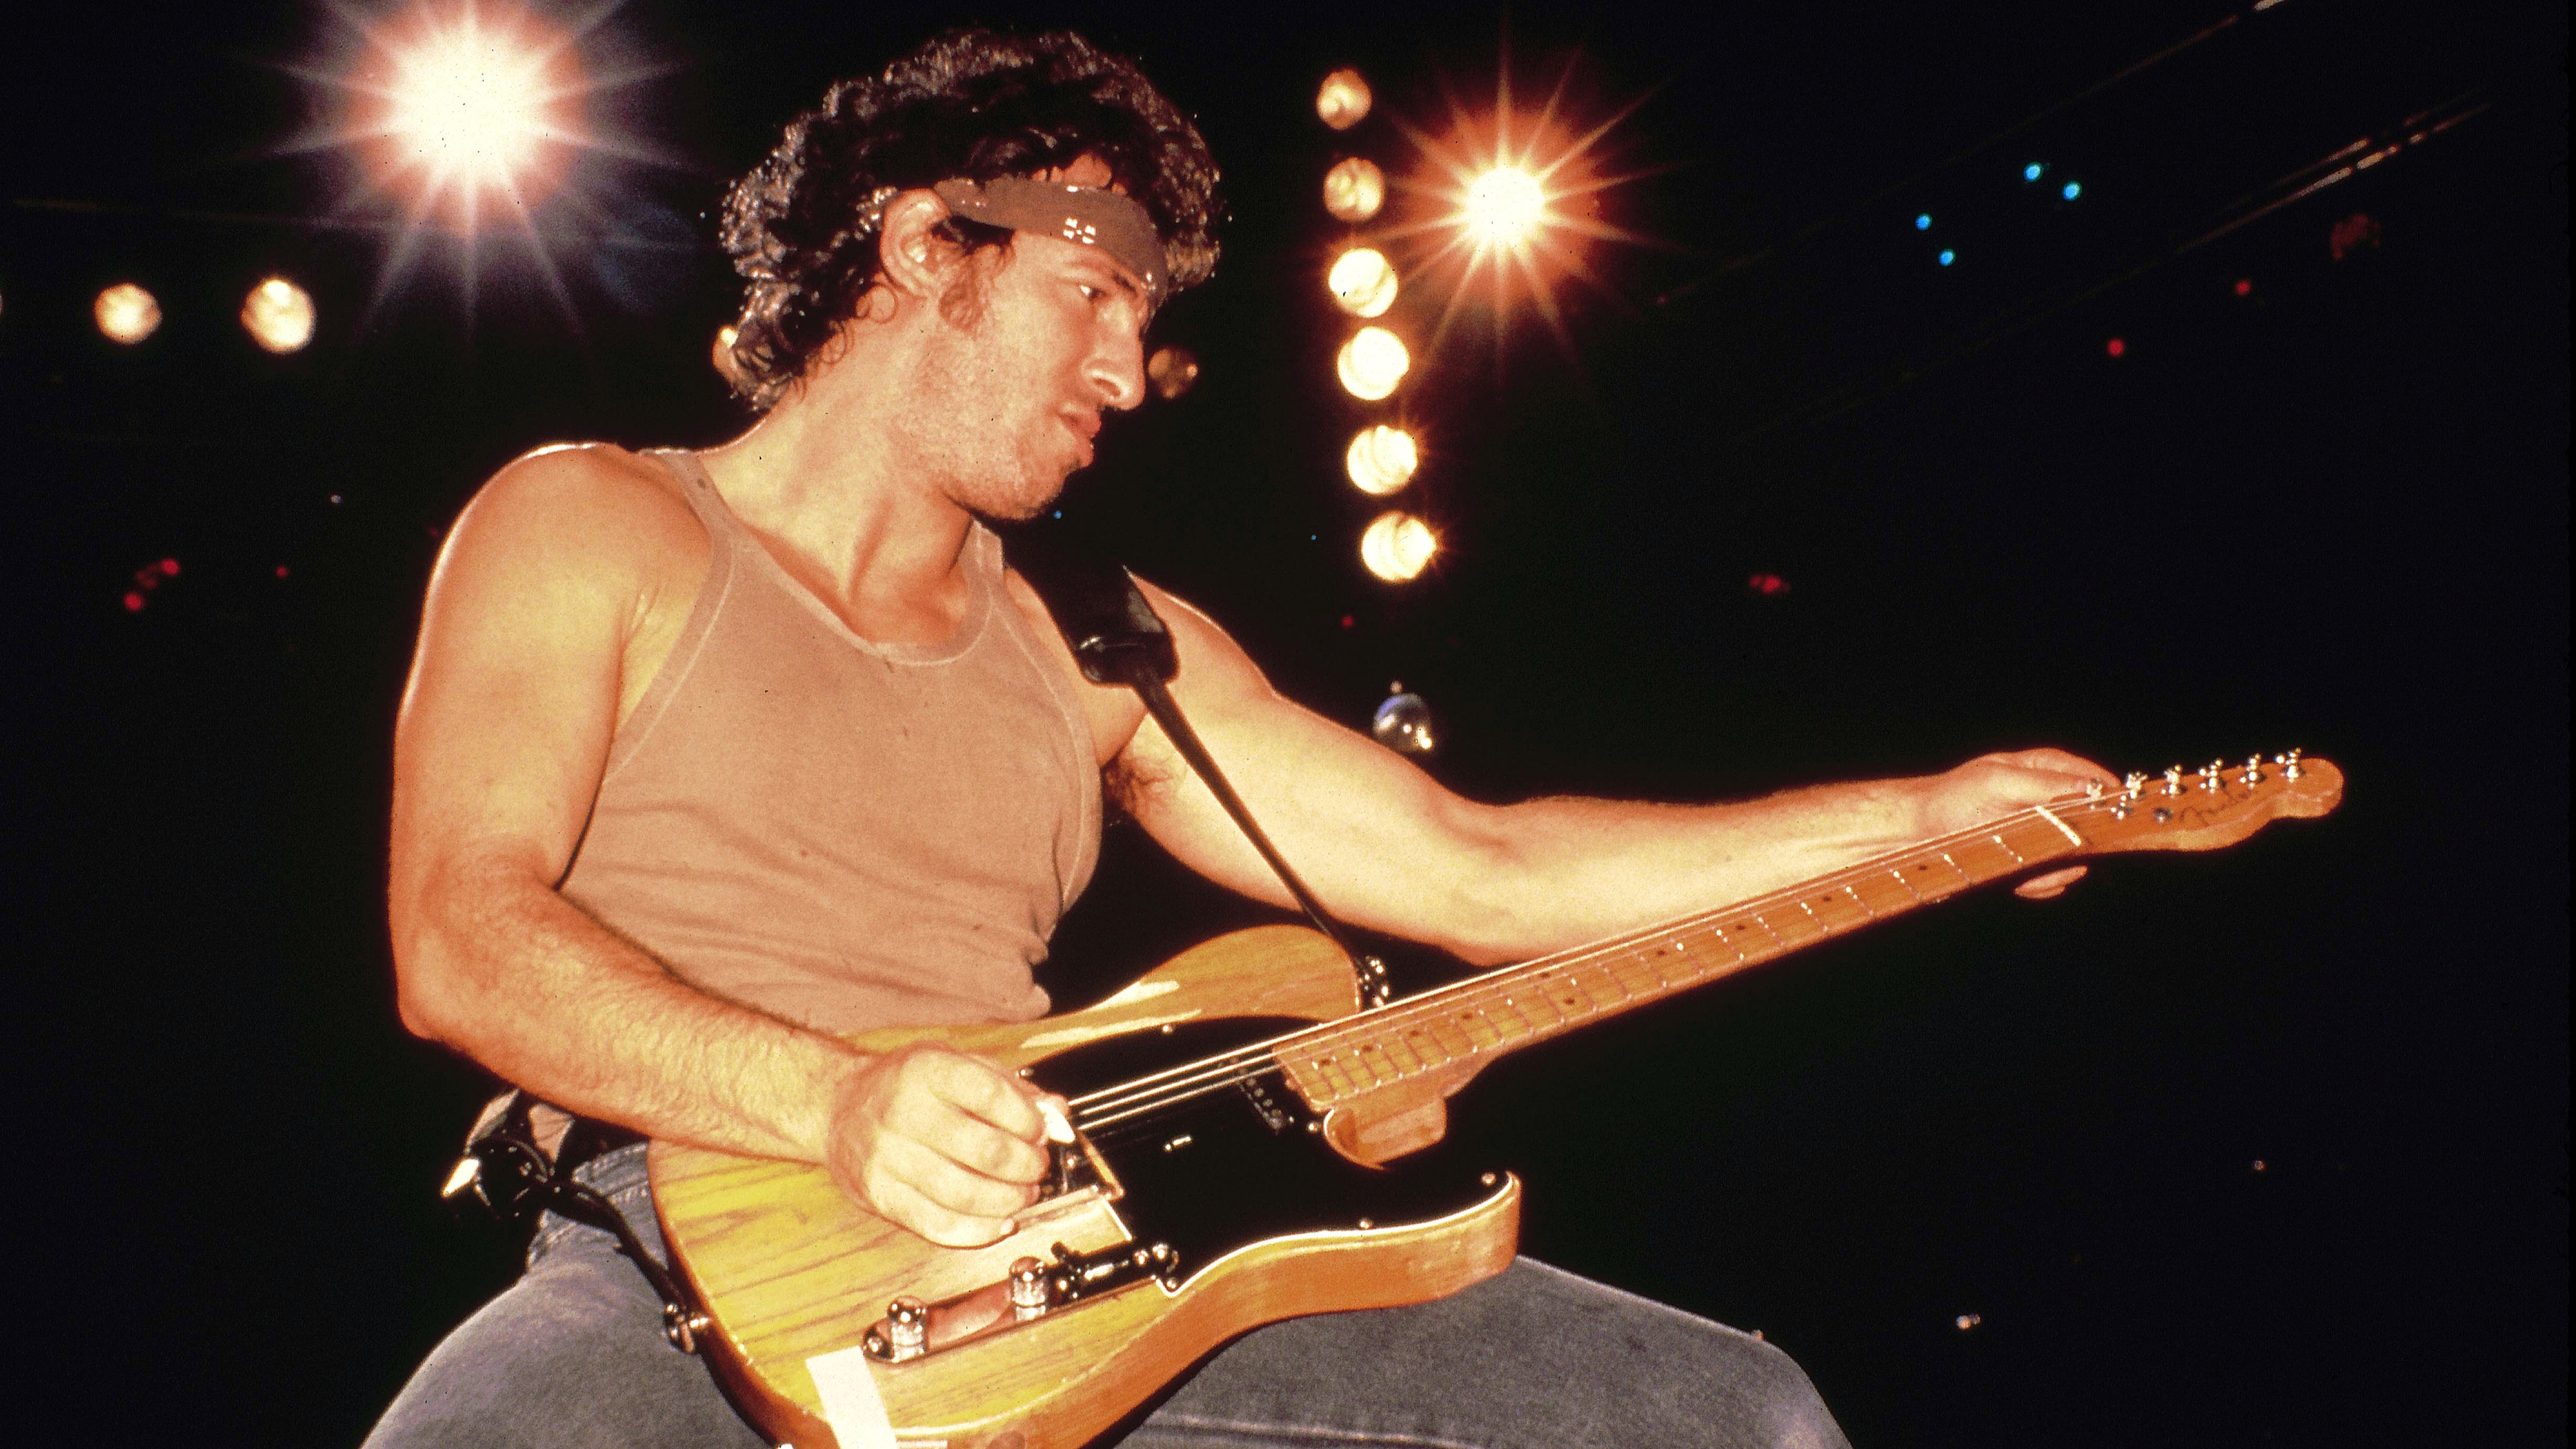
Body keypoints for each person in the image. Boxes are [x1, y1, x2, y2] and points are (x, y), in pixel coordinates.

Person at [369, 28, 2107, 1449]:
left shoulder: (1110, 640)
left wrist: (1929, 816)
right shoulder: (596, 523)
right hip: (670, 1256)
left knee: (1732, 1422)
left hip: (1070, 1257)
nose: (1127, 371)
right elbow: (460, 937)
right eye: (1095, 292)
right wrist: (831, 1101)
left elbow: (1474, 867)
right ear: (920, 246)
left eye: (1153, 324)